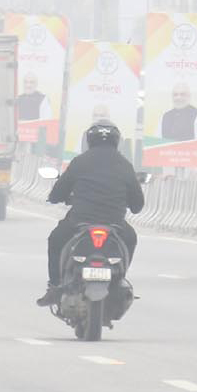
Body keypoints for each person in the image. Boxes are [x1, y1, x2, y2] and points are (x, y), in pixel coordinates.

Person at [39, 120, 144, 306]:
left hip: (79, 221)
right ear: (116, 141)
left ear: (89, 140)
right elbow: (137, 205)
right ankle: (120, 278)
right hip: (115, 223)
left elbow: (58, 192)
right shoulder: (125, 165)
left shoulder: (80, 162)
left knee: (55, 240)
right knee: (131, 238)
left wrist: (56, 198)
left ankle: (54, 286)